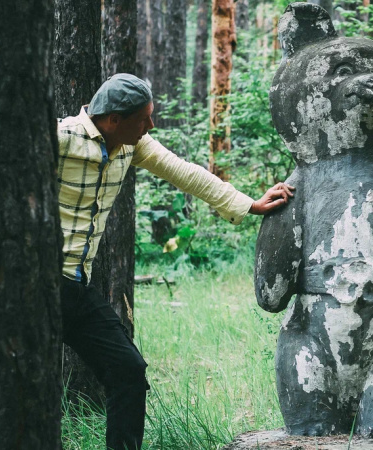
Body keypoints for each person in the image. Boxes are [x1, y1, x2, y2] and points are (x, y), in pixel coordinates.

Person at [57, 73, 293, 450]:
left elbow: (187, 173)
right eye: (144, 119)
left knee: (128, 371)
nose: (151, 126)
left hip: (75, 288)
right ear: (114, 119)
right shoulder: (62, 138)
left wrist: (249, 204)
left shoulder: (132, 145)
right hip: (33, 287)